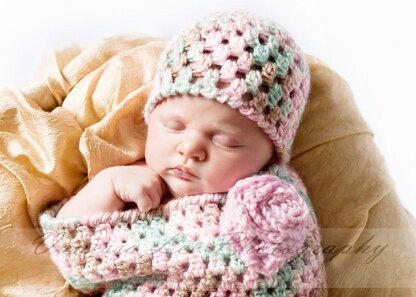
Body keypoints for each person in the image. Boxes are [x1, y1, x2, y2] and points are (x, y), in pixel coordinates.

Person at [39, 11, 327, 296]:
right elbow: (73, 252)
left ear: (269, 157)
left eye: (225, 141)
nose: (189, 149)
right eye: (174, 126)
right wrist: (107, 185)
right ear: (150, 119)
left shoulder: (280, 203)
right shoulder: (134, 190)